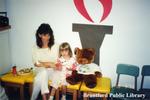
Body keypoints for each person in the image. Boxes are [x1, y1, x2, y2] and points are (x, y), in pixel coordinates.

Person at [31, 23, 59, 100]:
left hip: (52, 71)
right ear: (40, 35)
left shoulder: (55, 46)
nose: (47, 38)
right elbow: (36, 63)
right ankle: (46, 97)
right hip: (40, 70)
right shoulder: (35, 47)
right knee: (43, 72)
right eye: (45, 35)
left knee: (38, 79)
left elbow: (56, 63)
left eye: (49, 35)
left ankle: (34, 98)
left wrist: (43, 63)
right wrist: (49, 63)